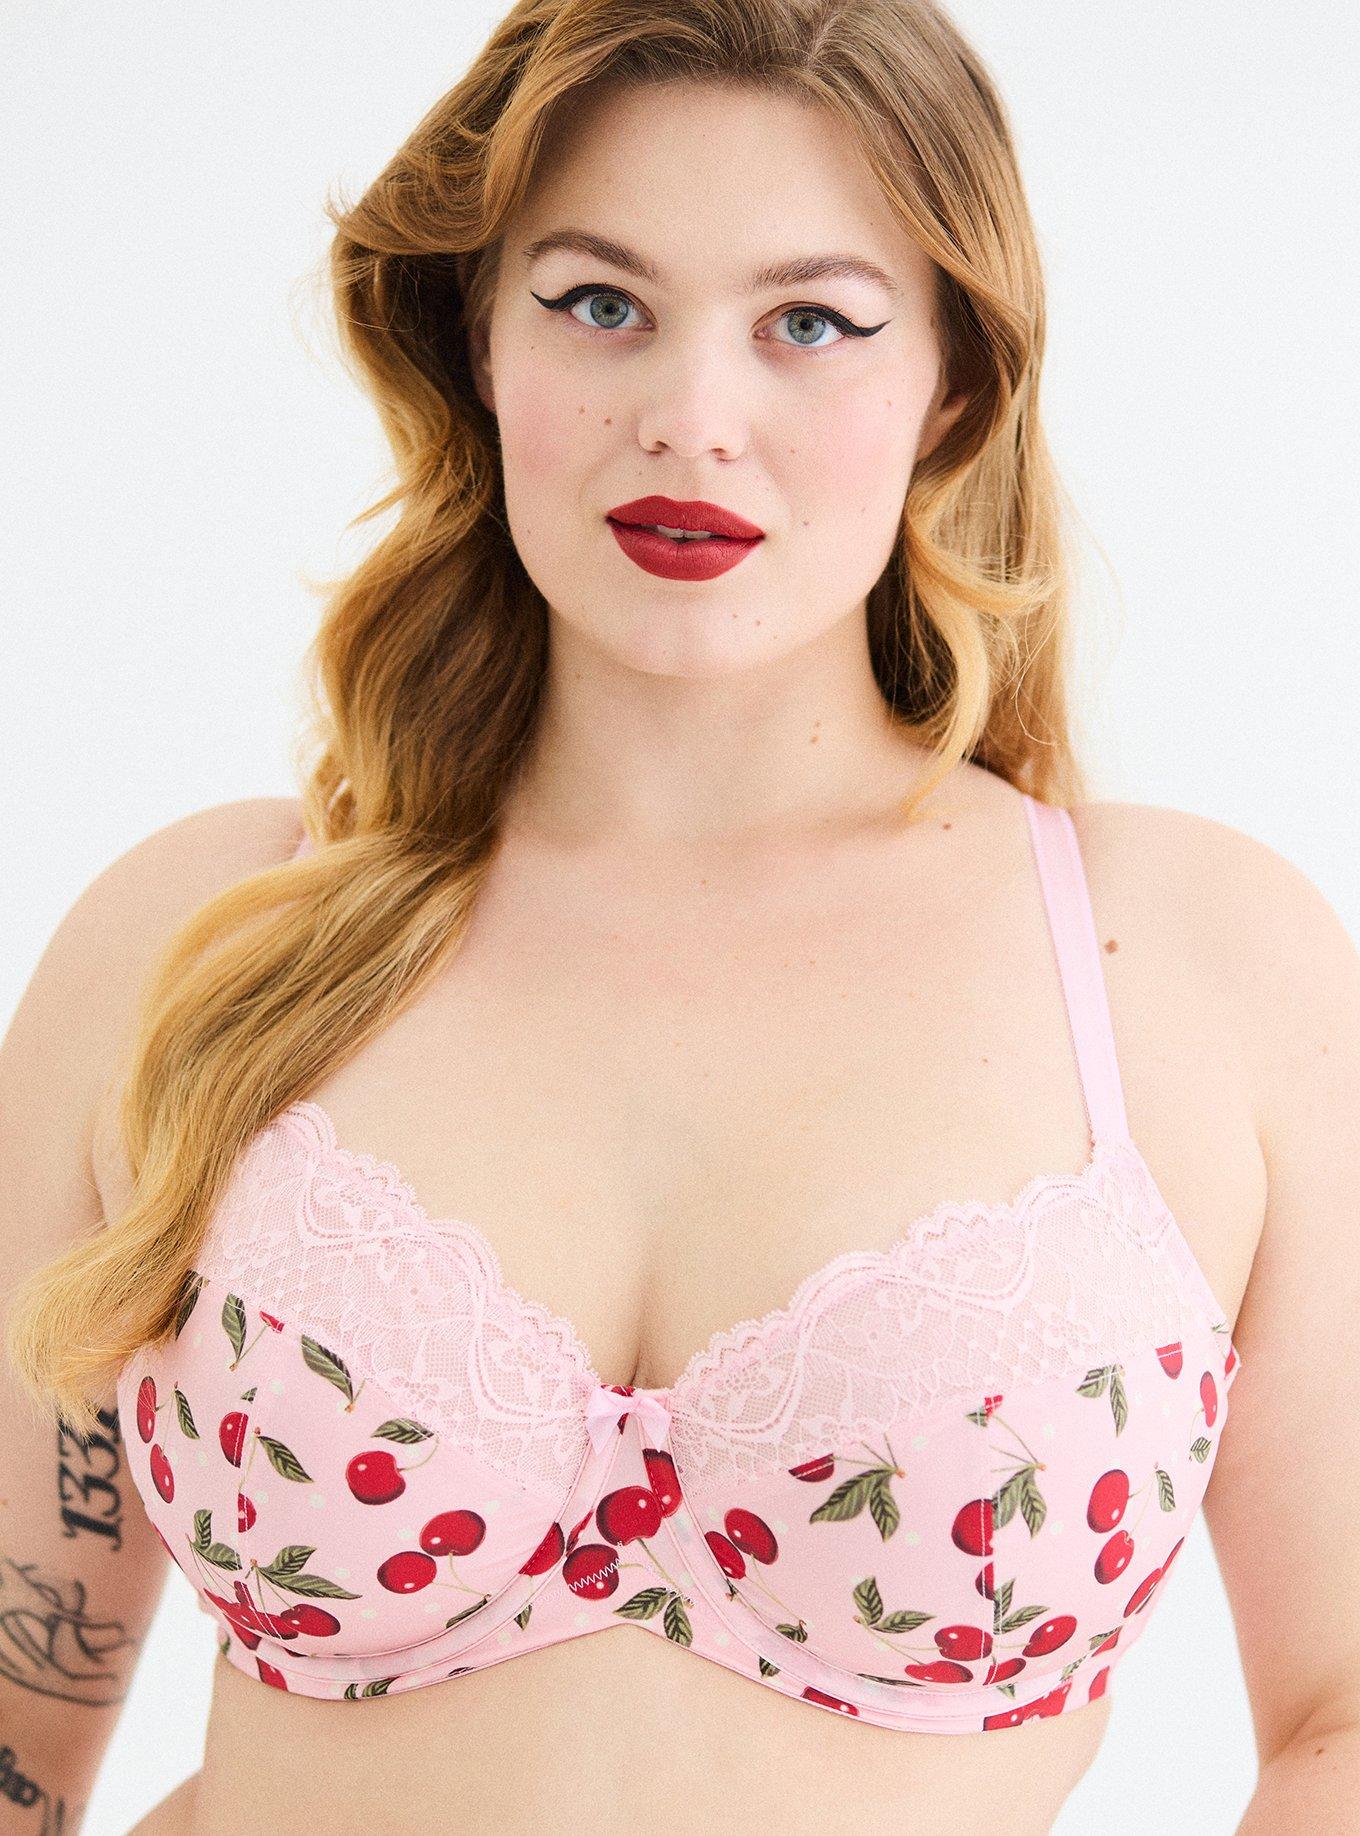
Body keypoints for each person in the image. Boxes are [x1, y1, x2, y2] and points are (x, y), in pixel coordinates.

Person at [3, 1, 1356, 1832]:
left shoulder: (1191, 967)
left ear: (955, 383)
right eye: (598, 303)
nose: (690, 421)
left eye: (810, 323)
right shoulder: (198, 945)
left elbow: (1342, 1718)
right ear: (480, 340)